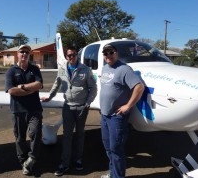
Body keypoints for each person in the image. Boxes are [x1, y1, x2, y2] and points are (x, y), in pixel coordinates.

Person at [41, 46, 97, 176]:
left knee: (80, 134)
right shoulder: (62, 69)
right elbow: (56, 84)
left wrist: (88, 103)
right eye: (69, 55)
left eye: (73, 55)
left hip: (81, 107)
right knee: (67, 136)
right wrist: (50, 96)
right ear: (66, 57)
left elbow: (93, 88)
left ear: (77, 55)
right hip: (68, 107)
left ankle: (78, 160)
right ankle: (64, 163)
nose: (71, 57)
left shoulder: (85, 69)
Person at [99, 44, 144, 178]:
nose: (108, 55)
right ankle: (113, 174)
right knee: (108, 148)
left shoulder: (124, 69)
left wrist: (128, 106)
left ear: (116, 53)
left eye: (111, 52)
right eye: (105, 53)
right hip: (104, 115)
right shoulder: (105, 68)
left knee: (116, 150)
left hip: (116, 117)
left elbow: (139, 87)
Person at [5, 44, 43, 176]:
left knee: (36, 133)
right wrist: (30, 90)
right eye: (22, 52)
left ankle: (32, 158)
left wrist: (21, 87)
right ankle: (23, 161)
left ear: (29, 55)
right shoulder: (11, 71)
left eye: (27, 52)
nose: (24, 54)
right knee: (20, 138)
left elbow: (39, 84)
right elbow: (11, 90)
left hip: (35, 109)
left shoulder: (34, 69)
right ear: (17, 54)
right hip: (18, 110)